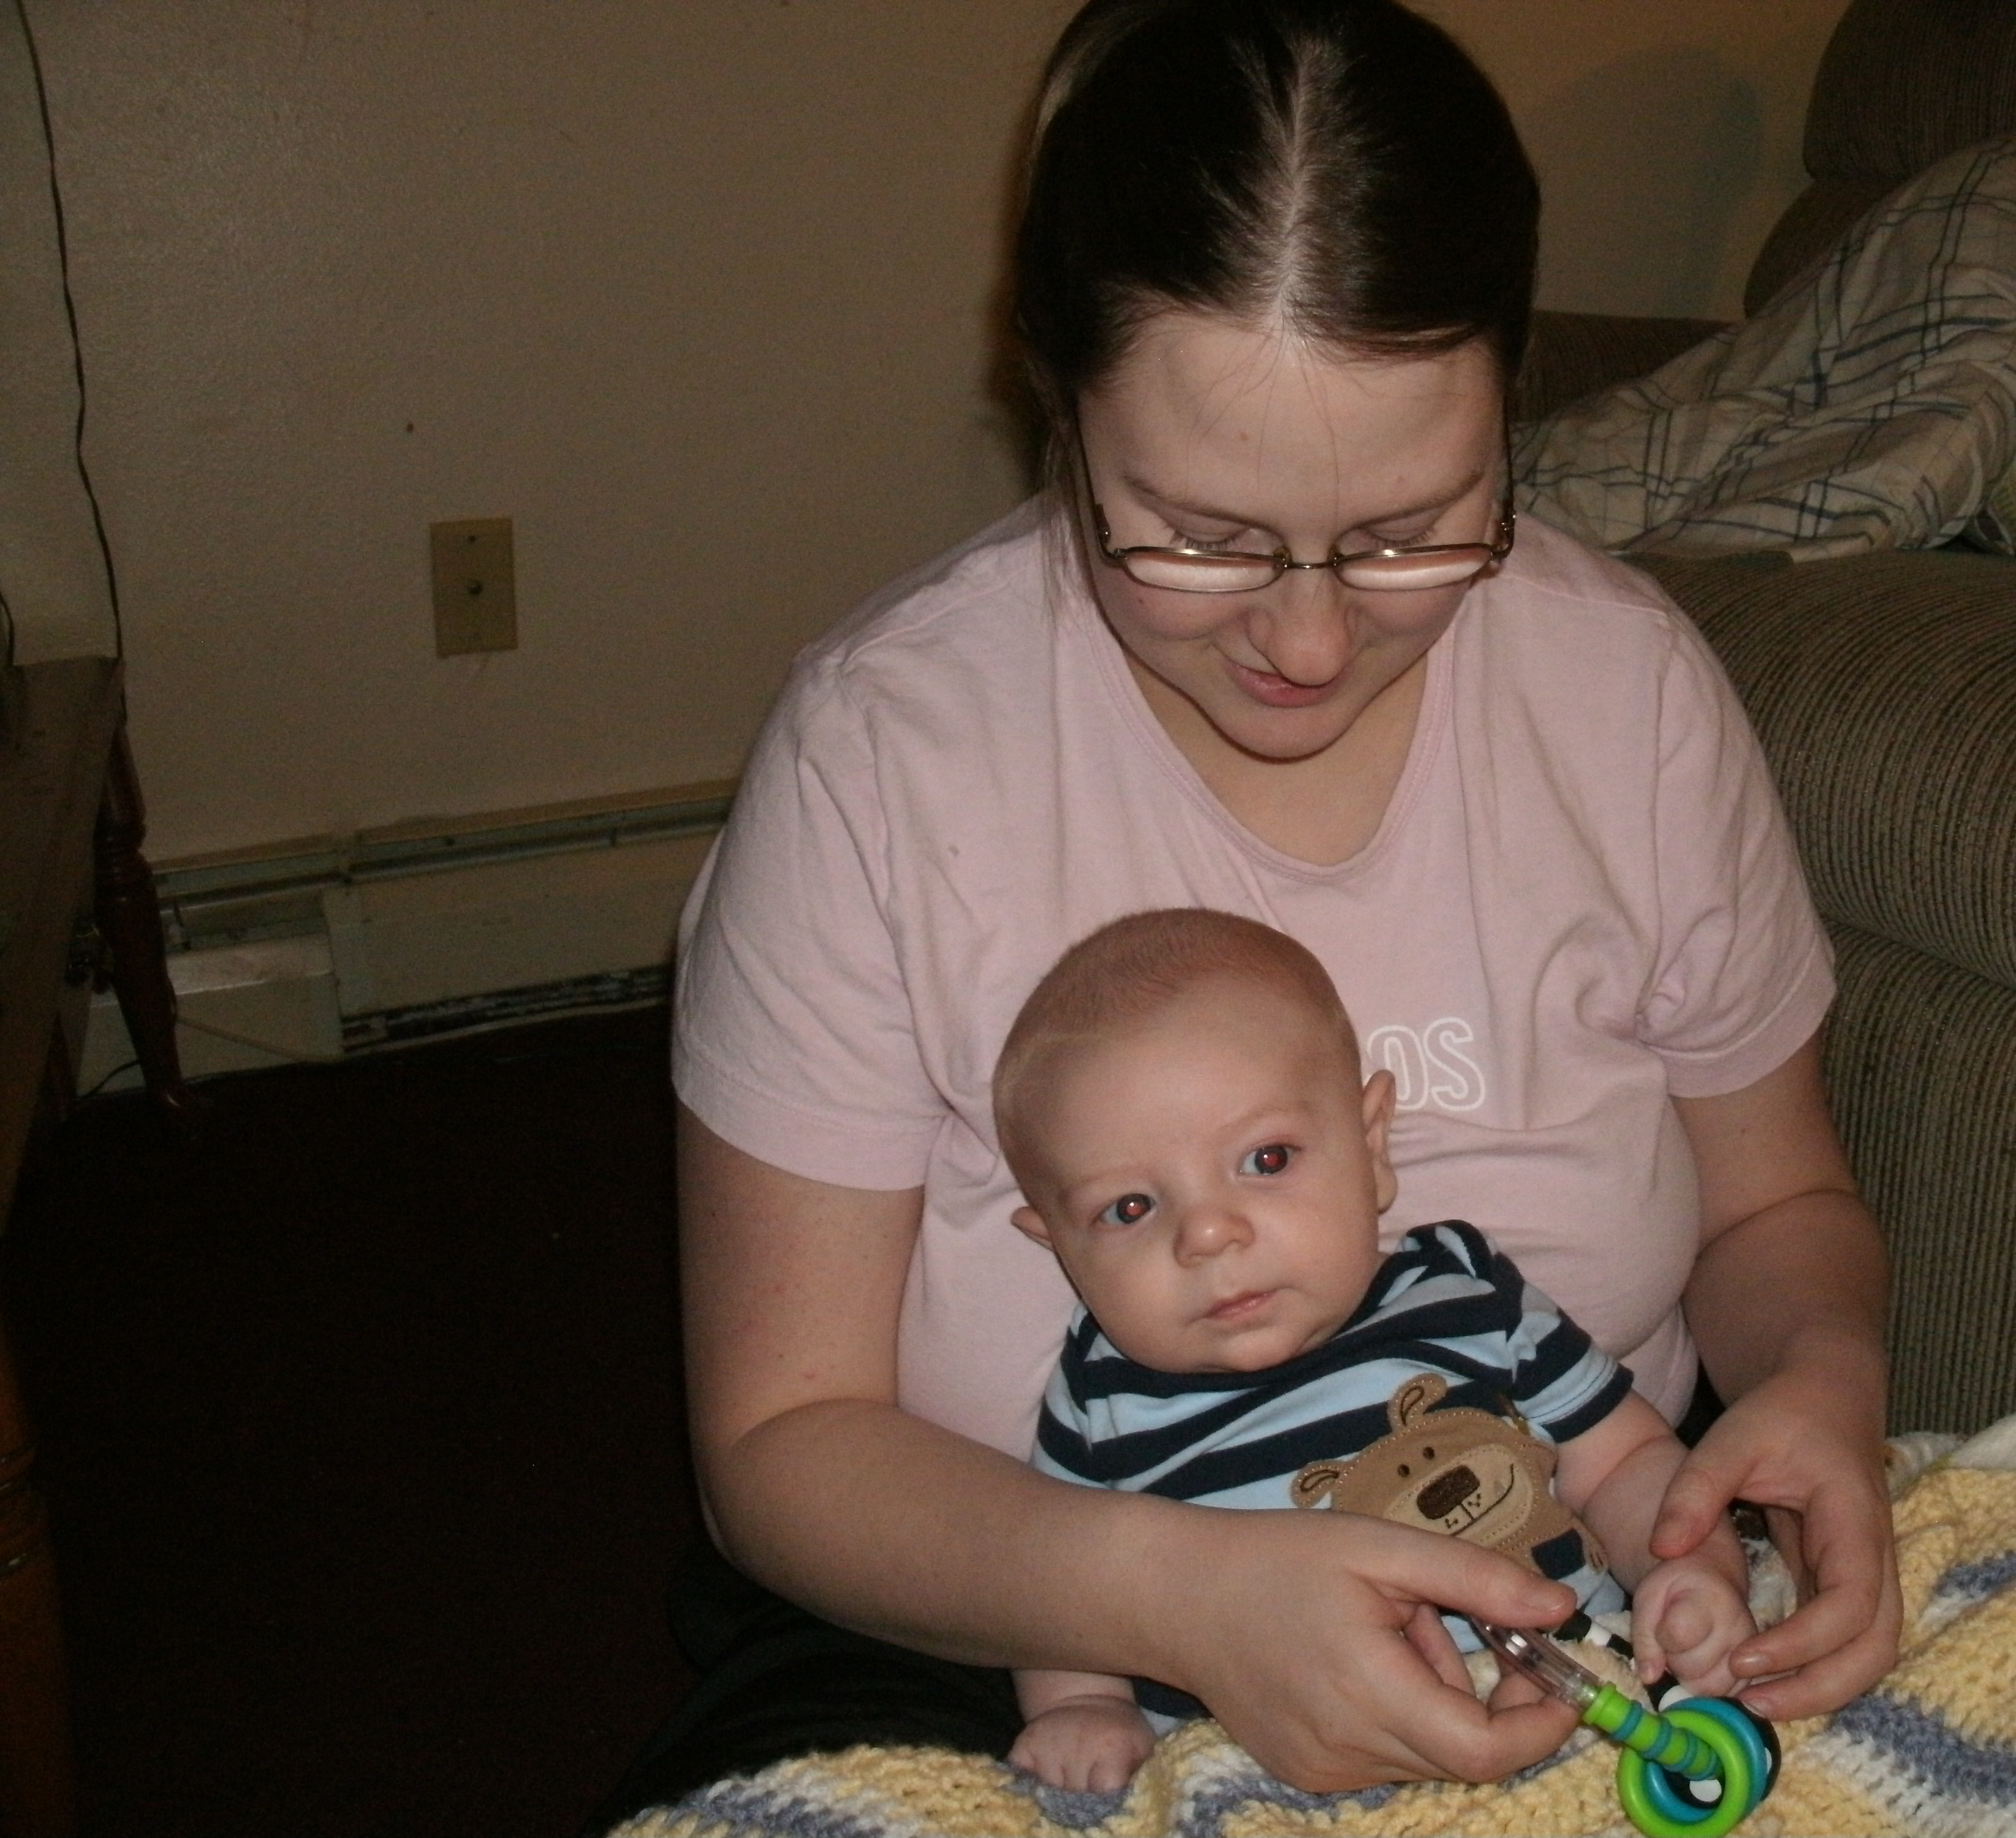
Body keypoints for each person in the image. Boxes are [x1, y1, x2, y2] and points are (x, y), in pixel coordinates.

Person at [598, 0, 1900, 1821]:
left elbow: (1773, 1204)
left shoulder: (1629, 695)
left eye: (1414, 528)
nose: (1306, 639)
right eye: (1199, 537)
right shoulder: (879, 758)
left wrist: (1823, 1387)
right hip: (1017, 1630)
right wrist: (1174, 1597)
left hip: (1580, 1560)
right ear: (1052, 401)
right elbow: (781, 1445)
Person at [994, 909, 1757, 1792]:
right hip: (1277, 1773)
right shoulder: (1103, 1400)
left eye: (1266, 1159)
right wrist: (1081, 1706)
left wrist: (1685, 1569)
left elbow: (1622, 1462)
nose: (1208, 1233)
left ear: (1371, 1143)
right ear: (1058, 1243)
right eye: (1130, 1208)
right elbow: (1061, 1591)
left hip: (1592, 1714)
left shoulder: (1465, 1297)